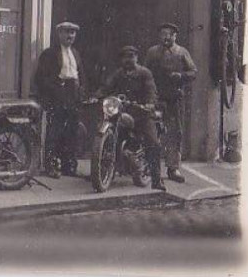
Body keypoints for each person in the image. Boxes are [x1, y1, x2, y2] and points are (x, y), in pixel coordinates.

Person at [101, 44, 165, 191]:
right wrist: (96, 96)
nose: (128, 60)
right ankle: (103, 168)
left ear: (136, 57)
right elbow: (107, 87)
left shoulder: (144, 73)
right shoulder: (118, 74)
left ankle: (156, 179)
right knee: (109, 127)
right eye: (125, 57)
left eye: (131, 56)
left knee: (153, 143)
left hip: (142, 113)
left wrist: (149, 104)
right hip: (123, 112)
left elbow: (151, 90)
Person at [144, 22, 197, 183]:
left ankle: (173, 168)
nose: (166, 37)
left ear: (175, 36)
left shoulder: (182, 53)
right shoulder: (152, 52)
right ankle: (149, 168)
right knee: (151, 130)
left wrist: (181, 76)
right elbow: (144, 72)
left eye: (170, 34)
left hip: (174, 99)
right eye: (163, 34)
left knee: (174, 133)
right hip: (155, 98)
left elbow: (193, 71)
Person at [33, 21, 86, 178]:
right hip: (57, 96)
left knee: (72, 132)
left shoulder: (76, 53)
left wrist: (81, 92)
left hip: (73, 96)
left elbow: (81, 75)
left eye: (73, 33)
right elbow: (41, 78)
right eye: (66, 32)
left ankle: (69, 166)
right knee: (54, 132)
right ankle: (51, 166)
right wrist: (56, 90)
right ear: (59, 34)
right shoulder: (50, 53)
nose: (70, 36)